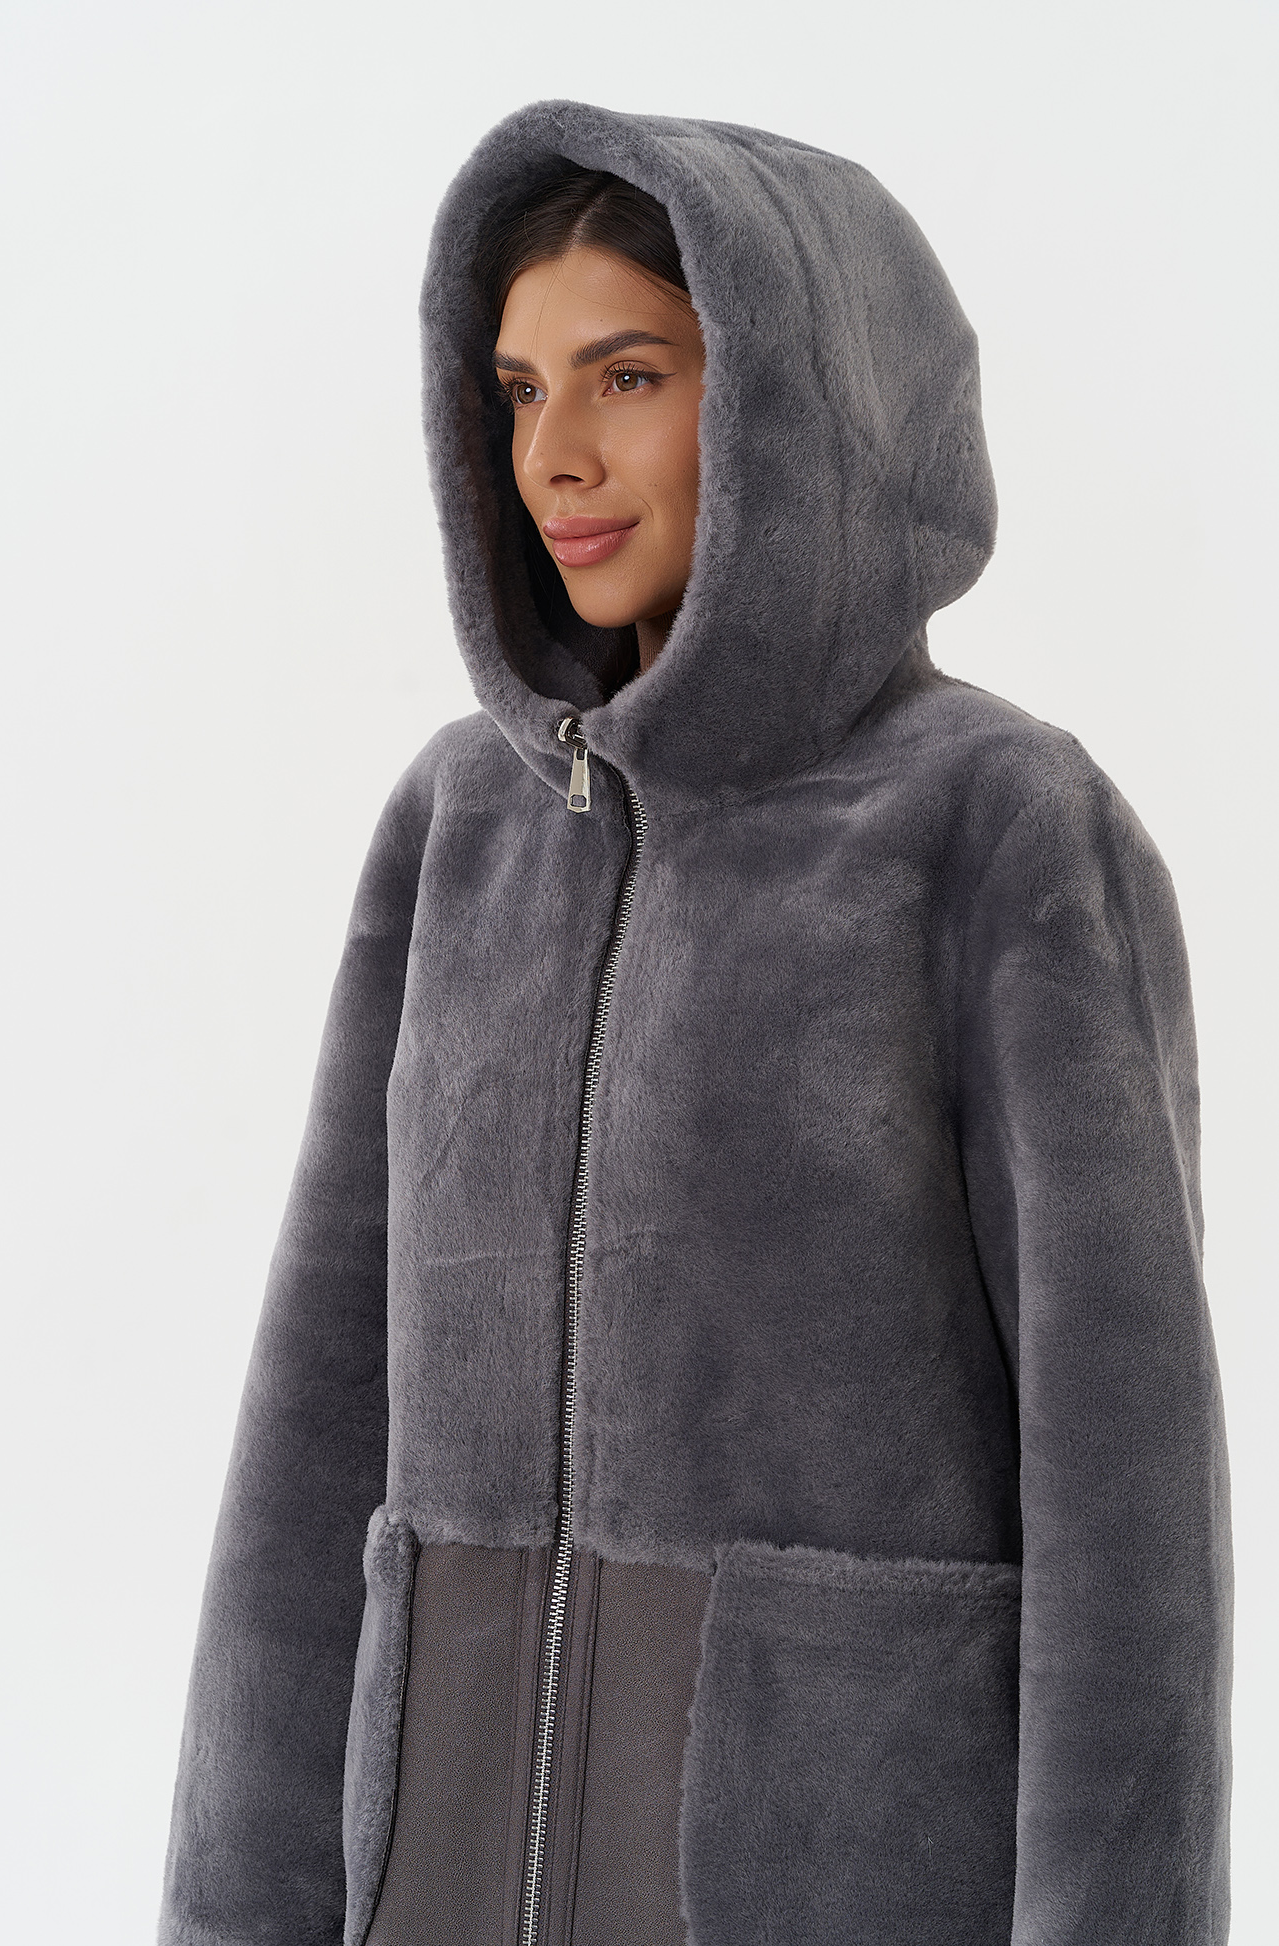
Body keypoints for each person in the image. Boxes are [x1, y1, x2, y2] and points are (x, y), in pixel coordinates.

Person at [158, 101, 1233, 1946]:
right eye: (517, 392)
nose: (553, 456)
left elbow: (1130, 1520)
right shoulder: (457, 825)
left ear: (802, 408)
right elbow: (312, 1433)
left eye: (629, 376)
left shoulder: (994, 825)